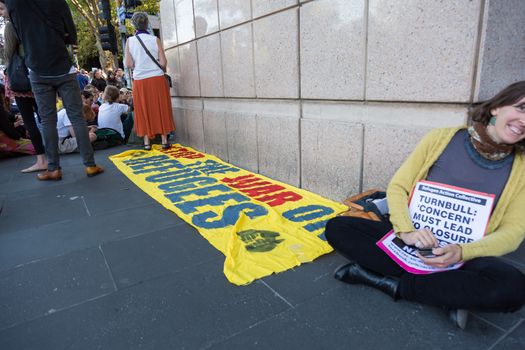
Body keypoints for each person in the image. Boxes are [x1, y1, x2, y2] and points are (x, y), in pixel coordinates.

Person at [325, 81, 525, 329]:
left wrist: (462, 252)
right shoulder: (442, 138)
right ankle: (444, 293)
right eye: (522, 108)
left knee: (512, 288)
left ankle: (385, 282)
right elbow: (398, 187)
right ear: (496, 108)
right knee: (337, 227)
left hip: (462, 256)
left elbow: (514, 232)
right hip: (410, 242)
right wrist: (407, 232)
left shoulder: (521, 167)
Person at [6, 0, 103, 180]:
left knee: (48, 119)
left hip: (36, 66)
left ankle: (53, 168)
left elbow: (17, 31)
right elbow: (70, 28)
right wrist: (66, 40)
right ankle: (90, 165)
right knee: (76, 117)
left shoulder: (15, 3)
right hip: (61, 64)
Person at [0, 0, 47, 172]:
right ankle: (52, 154)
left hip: (21, 82)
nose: (1, 13)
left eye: (2, 8)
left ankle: (41, 160)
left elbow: (8, 55)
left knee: (30, 121)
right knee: (45, 118)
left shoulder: (10, 27)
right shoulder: (30, 24)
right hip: (37, 77)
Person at [125, 12, 175, 150]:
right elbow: (164, 62)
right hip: (157, 79)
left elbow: (128, 64)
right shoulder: (155, 39)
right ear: (147, 24)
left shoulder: (130, 41)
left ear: (133, 25)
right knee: (161, 107)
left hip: (140, 80)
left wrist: (139, 65)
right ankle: (164, 140)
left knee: (143, 108)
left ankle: (147, 142)